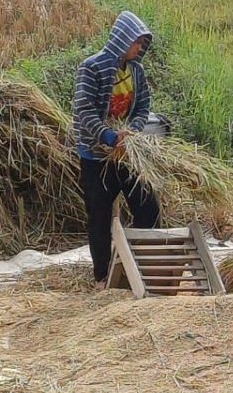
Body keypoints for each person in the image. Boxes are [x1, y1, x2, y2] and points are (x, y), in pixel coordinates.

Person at [73, 10, 160, 290]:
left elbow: (143, 106)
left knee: (148, 208)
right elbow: (84, 112)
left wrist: (131, 131)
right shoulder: (92, 68)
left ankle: (138, 266)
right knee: (99, 216)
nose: (140, 48)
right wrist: (110, 136)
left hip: (127, 154)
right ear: (123, 39)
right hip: (96, 155)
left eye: (143, 43)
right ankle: (101, 278)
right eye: (137, 42)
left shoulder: (136, 70)